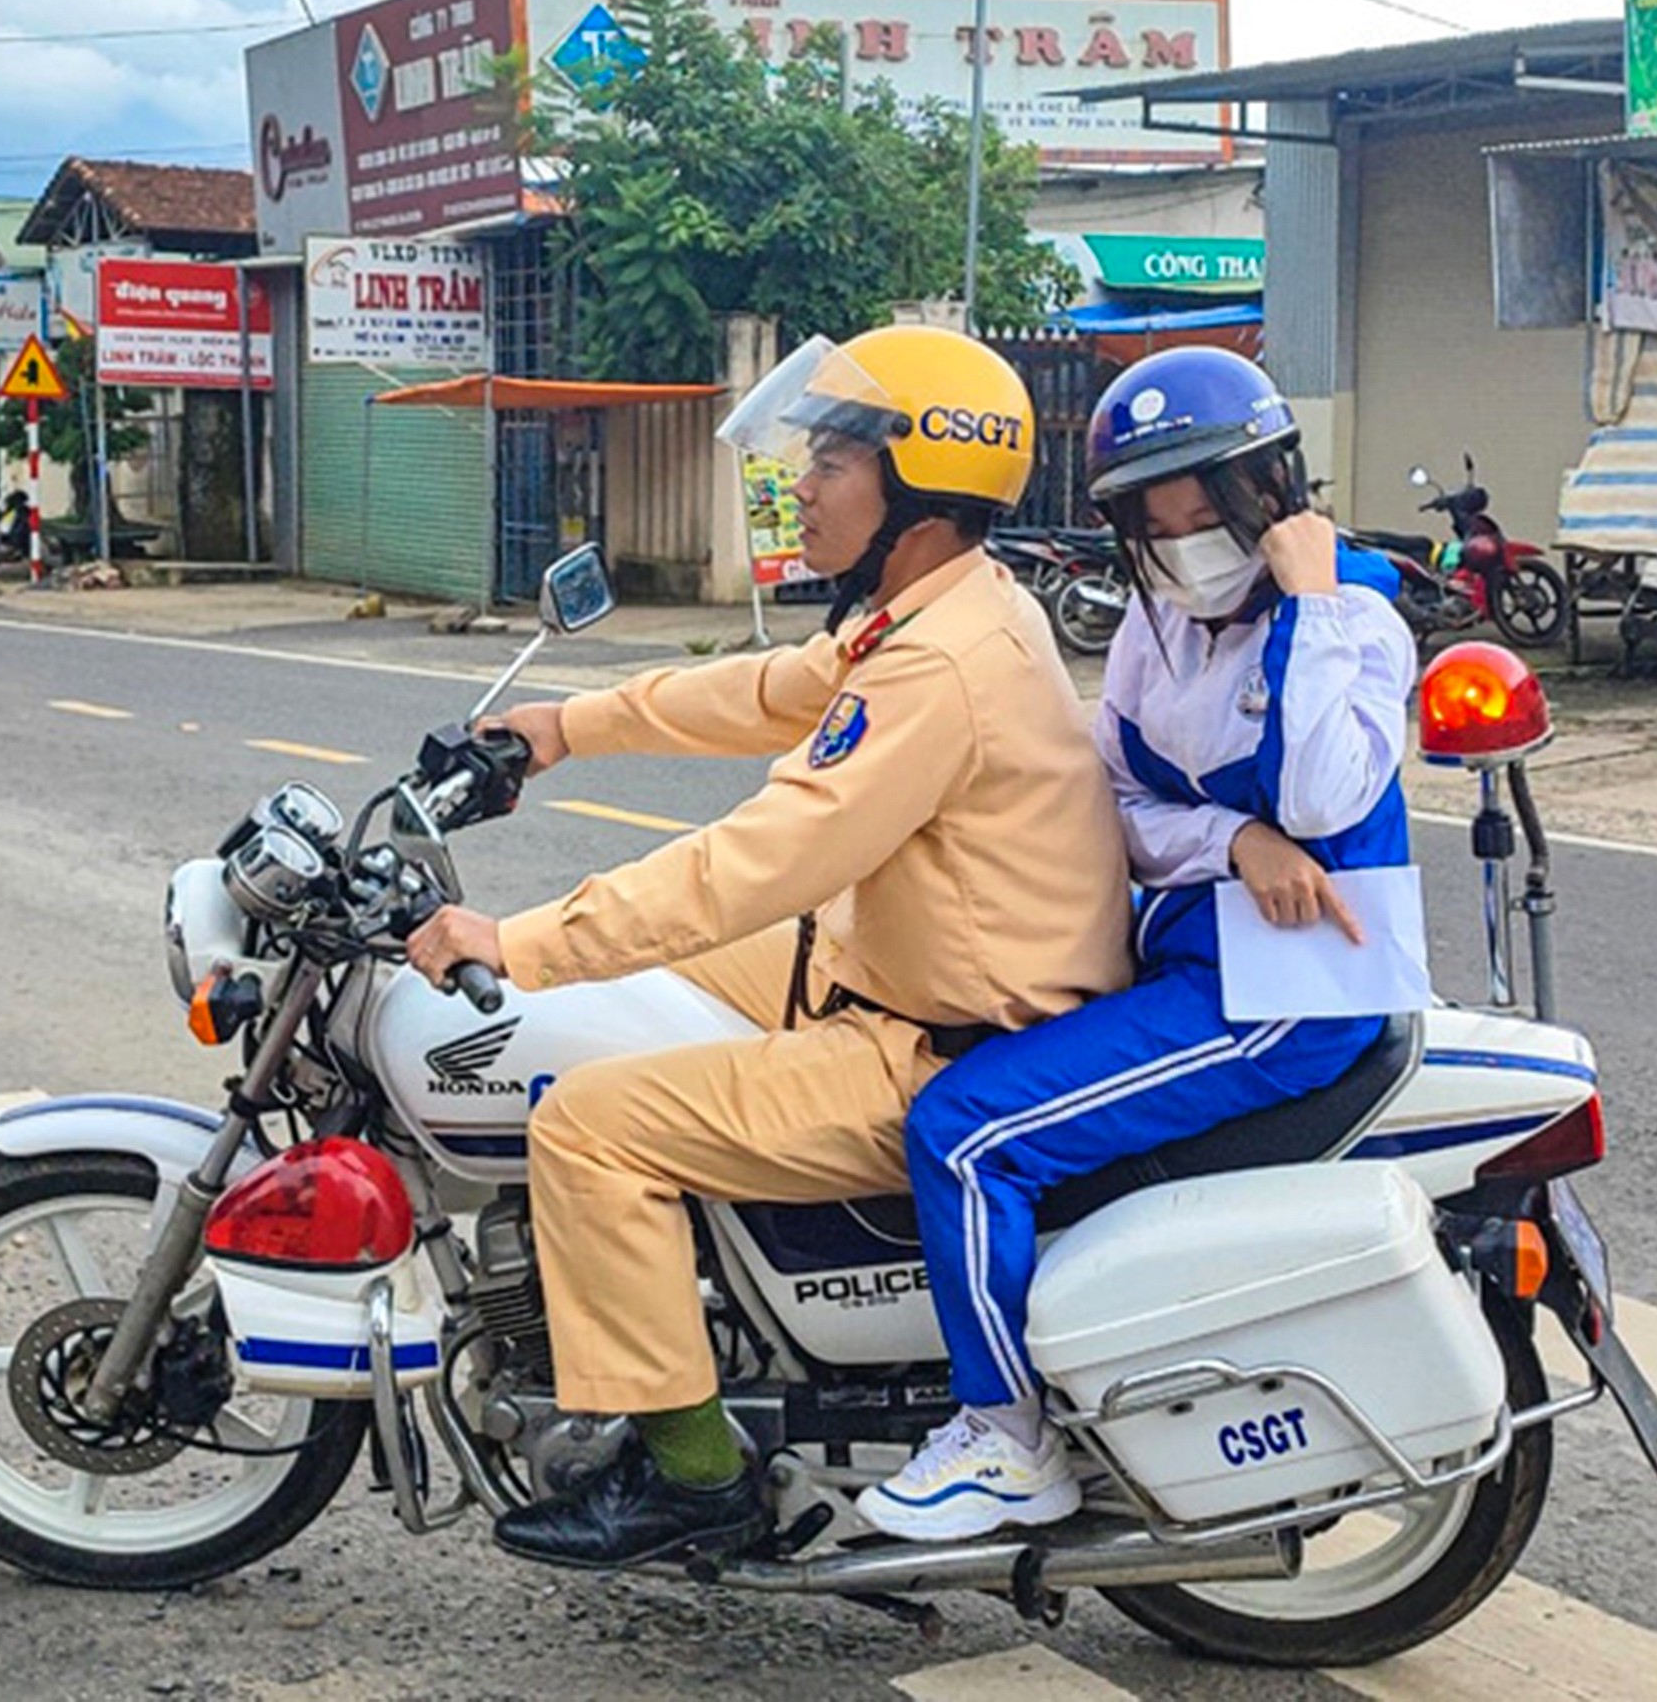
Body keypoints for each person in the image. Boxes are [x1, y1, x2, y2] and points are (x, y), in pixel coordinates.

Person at [403, 326, 1135, 1569]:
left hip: (941, 1042)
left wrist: (514, 943)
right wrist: (560, 728)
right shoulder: (928, 613)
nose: (802, 483)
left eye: (836, 462)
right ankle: (694, 1287)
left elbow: (753, 865)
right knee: (641, 972)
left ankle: (696, 1476)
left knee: (586, 1124)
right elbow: (761, 690)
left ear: (918, 493)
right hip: (903, 969)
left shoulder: (939, 667)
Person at [852, 346, 1419, 1541]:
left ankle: (1004, 1440)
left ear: (1267, 493)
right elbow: (1113, 801)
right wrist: (1231, 841)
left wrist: (1307, 595)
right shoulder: (1157, 628)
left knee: (962, 1133)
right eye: (1155, 524)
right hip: (1182, 948)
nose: (1186, 543)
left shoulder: (1353, 615)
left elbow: (1319, 795)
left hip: (1285, 992)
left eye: (1206, 511)